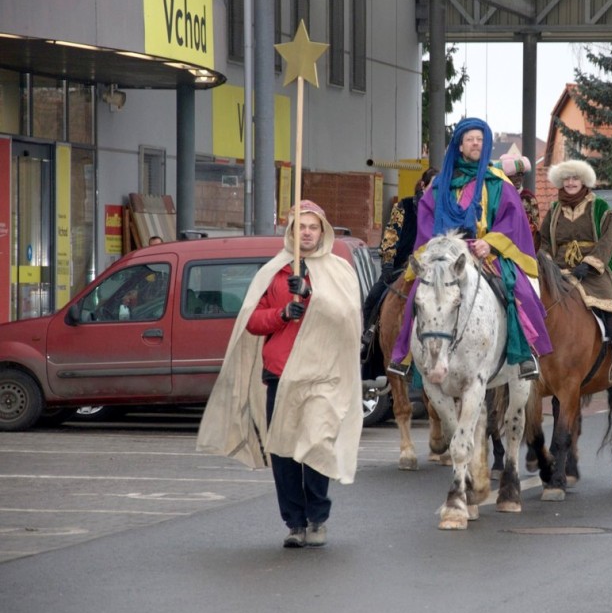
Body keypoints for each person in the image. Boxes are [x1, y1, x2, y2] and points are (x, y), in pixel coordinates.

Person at [197, 200, 362, 548]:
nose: (306, 232)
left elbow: (348, 317)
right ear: (290, 231)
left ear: (323, 231)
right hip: (281, 373)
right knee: (284, 451)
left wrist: (313, 297)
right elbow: (252, 321)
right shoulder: (273, 272)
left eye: (313, 227)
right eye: (300, 226)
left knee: (317, 442)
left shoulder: (338, 269)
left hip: (323, 373)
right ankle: (295, 523)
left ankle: (318, 517)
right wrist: (282, 313)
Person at [387, 117, 552, 380]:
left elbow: (513, 221)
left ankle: (525, 355)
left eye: (480, 139)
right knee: (415, 293)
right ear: (460, 146)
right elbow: (427, 220)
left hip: (483, 253)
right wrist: (438, 248)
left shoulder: (498, 182)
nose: (475, 144)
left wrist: (492, 243)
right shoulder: (440, 184)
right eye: (470, 140)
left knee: (516, 290)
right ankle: (405, 356)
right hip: (444, 254)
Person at [537, 159, 612, 385]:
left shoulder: (600, 207)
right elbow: (543, 242)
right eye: (567, 179)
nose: (571, 183)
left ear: (584, 181)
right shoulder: (554, 210)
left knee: (608, 306)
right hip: (558, 269)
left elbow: (607, 240)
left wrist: (590, 264)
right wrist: (549, 264)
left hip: (593, 271)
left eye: (575, 179)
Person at [360, 168, 437, 352]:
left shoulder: (444, 212)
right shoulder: (404, 206)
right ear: (423, 185)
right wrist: (387, 265)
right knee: (373, 298)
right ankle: (369, 338)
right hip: (401, 268)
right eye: (433, 186)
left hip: (432, 272)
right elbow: (390, 235)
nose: (437, 191)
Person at [499, 154, 541, 248]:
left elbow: (535, 226)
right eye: (514, 175)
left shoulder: (528, 198)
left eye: (521, 174)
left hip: (523, 246)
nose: (518, 178)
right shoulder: (498, 196)